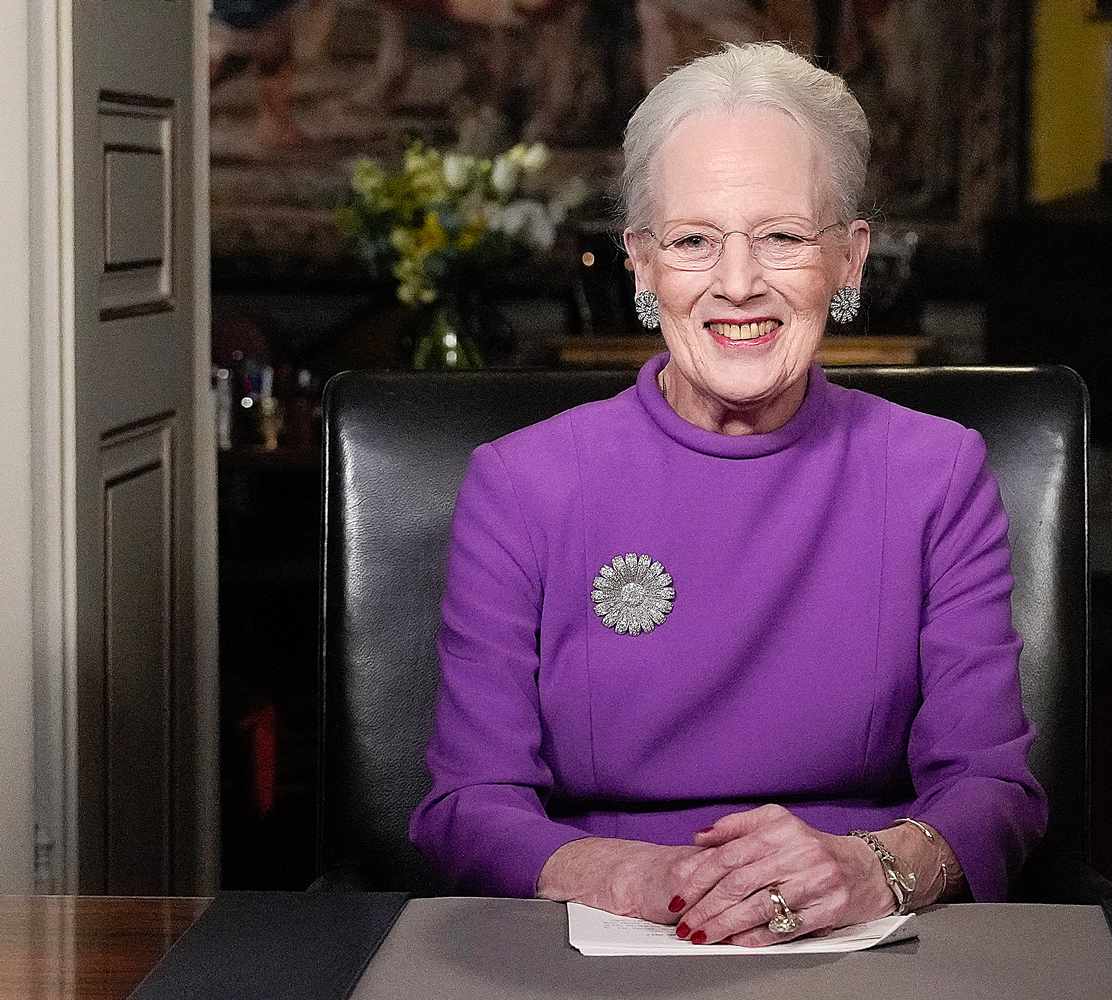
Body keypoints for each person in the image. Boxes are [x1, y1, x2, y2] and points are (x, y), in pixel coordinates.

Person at [410, 42, 1046, 946]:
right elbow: (467, 805)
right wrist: (643, 877)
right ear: (640, 263)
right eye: (694, 240)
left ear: (850, 260)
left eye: (783, 237)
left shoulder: (936, 473)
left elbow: (995, 791)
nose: (738, 283)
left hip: (860, 942)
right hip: (597, 939)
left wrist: (872, 868)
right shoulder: (522, 483)